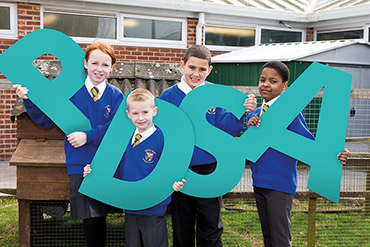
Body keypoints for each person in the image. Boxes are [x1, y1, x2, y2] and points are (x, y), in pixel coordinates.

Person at [13, 42, 124, 247]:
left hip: (106, 163)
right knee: (90, 220)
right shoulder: (71, 93)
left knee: (100, 217)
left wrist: (87, 136)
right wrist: (28, 100)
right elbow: (45, 120)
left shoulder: (116, 96)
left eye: (105, 64)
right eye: (95, 63)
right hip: (79, 164)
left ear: (112, 67)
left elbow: (117, 130)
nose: (99, 69)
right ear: (85, 63)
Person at [159, 44, 257, 247]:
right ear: (182, 65)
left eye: (202, 69)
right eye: (192, 67)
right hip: (180, 170)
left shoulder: (215, 95)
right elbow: (161, 133)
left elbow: (226, 127)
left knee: (211, 226)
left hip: (211, 171)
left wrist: (243, 111)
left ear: (209, 70)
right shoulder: (168, 96)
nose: (196, 74)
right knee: (181, 226)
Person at [246, 60, 349, 247]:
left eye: (273, 81)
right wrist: (249, 126)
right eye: (262, 80)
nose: (266, 84)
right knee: (268, 238)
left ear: (284, 86)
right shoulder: (257, 113)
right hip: (259, 183)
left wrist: (334, 153)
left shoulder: (290, 112)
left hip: (280, 185)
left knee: (280, 240)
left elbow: (308, 143)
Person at [84, 88, 186, 247]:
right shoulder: (124, 140)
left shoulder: (162, 139)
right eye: (135, 113)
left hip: (154, 208)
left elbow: (170, 170)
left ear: (155, 111)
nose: (141, 118)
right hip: (131, 207)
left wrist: (174, 183)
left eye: (145, 112)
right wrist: (94, 172)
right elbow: (116, 170)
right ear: (128, 114)